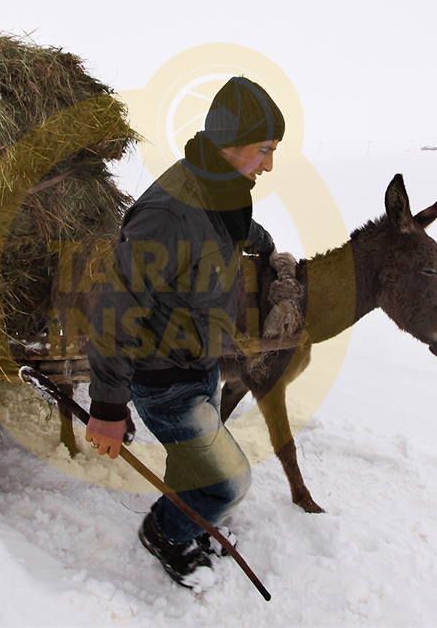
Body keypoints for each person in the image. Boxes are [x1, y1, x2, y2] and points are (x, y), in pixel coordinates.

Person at [83, 75, 286, 589]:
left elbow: (233, 226)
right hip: (164, 381)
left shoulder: (221, 189)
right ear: (229, 143)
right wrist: (107, 405)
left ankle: (190, 519)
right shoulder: (168, 214)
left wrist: (265, 245)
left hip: (201, 366)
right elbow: (116, 309)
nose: (269, 165)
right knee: (229, 482)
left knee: (194, 466)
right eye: (264, 150)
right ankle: (164, 533)